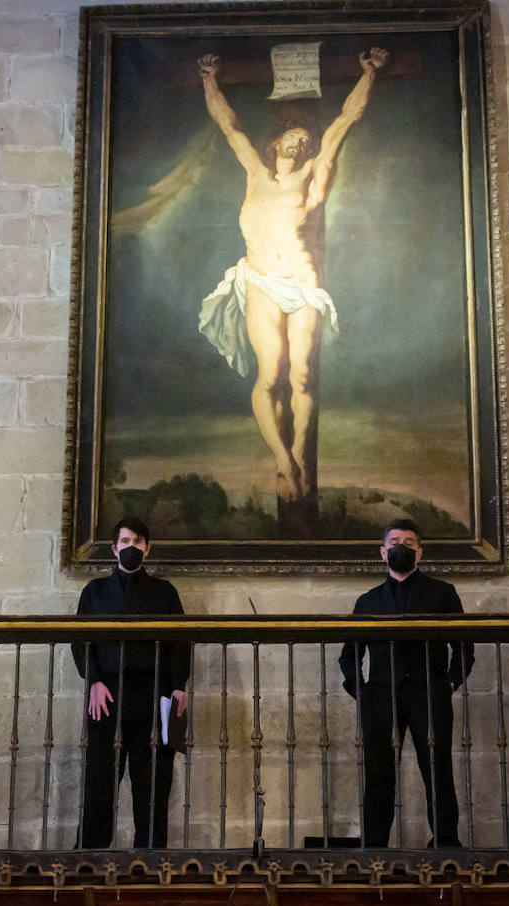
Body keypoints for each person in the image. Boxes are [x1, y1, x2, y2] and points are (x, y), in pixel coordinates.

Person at [196, 47, 388, 511]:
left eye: (305, 140)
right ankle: (284, 462)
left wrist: (368, 73)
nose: (299, 143)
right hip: (261, 279)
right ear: (277, 142)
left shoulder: (314, 176)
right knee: (271, 373)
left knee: (301, 376)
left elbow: (344, 120)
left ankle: (299, 453)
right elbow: (230, 126)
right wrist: (209, 80)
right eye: (292, 137)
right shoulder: (255, 174)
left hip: (301, 282)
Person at [339, 519, 473, 848]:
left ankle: (445, 844)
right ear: (384, 553)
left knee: (437, 771)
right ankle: (374, 849)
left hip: (430, 692)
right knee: (379, 776)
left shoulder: (443, 593)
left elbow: (464, 646)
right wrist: (363, 692)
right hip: (381, 697)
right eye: (396, 541)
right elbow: (348, 655)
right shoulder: (367, 601)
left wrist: (451, 683)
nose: (403, 546)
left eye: (410, 542)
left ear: (420, 552)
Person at [73, 517, 191, 848]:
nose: (131, 548)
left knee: (152, 786)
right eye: (125, 542)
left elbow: (180, 643)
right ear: (114, 549)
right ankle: (91, 859)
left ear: (147, 548)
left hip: (153, 698)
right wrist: (94, 681)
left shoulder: (165, 592)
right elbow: (81, 643)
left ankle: (150, 862)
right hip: (106, 698)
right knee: (100, 784)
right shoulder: (94, 593)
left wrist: (179, 685)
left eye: (138, 542)